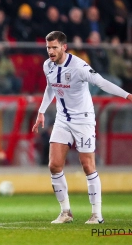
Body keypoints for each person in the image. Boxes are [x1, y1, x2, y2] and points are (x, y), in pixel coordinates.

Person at [32, 31, 132, 224]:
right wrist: (41, 112)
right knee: (54, 165)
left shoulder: (79, 67)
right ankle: (65, 212)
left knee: (87, 165)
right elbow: (50, 86)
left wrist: (127, 95)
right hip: (62, 119)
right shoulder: (48, 65)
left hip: (84, 120)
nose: (50, 52)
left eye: (54, 47)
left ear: (64, 47)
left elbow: (102, 83)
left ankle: (97, 214)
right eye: (48, 48)